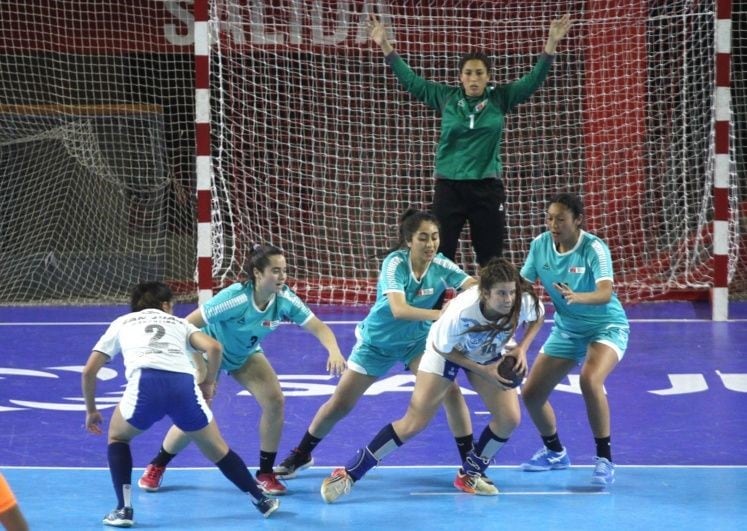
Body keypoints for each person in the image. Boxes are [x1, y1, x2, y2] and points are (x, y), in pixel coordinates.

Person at [276, 209, 491, 494]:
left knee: (450, 392)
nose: (431, 244)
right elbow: (398, 309)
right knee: (341, 403)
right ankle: (302, 454)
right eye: (423, 238)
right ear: (408, 240)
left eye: (435, 237)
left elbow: (474, 287)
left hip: (417, 342)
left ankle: (469, 467)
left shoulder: (441, 265)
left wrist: (492, 297)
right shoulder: (395, 264)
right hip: (377, 342)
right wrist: (443, 313)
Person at [319, 257, 545, 503]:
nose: (509, 299)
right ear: (485, 293)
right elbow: (444, 348)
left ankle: (470, 474)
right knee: (414, 422)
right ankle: (350, 473)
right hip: (444, 353)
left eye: (511, 292)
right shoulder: (461, 312)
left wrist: (522, 347)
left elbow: (538, 316)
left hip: (486, 353)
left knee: (509, 419)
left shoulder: (521, 302)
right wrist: (484, 372)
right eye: (501, 293)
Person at [138, 244, 346, 496]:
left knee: (275, 401)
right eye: (275, 271)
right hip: (206, 351)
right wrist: (199, 362)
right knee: (196, 414)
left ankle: (266, 473)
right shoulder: (235, 298)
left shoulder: (284, 299)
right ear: (258, 273)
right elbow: (185, 326)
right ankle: (157, 465)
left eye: (284, 271)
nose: (282, 277)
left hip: (243, 355)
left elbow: (319, 327)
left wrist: (334, 350)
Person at [368, 14, 572, 267]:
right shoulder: (446, 97)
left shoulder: (500, 98)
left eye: (479, 73)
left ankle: (491, 306)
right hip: (449, 188)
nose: (473, 78)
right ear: (460, 77)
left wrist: (551, 43)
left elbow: (533, 80)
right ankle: (436, 305)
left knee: (491, 258)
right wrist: (385, 45)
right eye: (468, 73)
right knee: (440, 257)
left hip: (487, 187)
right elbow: (412, 81)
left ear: (488, 77)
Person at [82, 281, 279, 527]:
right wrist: (208, 383)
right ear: (166, 305)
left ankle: (123, 510)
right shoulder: (181, 323)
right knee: (218, 449)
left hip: (147, 384)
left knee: (118, 437)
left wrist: (91, 410)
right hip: (184, 386)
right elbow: (214, 347)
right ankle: (261, 499)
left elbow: (89, 371)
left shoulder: (122, 322)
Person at [519, 193, 630, 486]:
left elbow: (605, 292)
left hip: (606, 326)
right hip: (567, 329)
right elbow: (523, 284)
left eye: (561, 219)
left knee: (590, 379)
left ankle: (604, 459)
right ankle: (555, 453)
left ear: (578, 220)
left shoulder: (594, 248)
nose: (554, 224)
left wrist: (578, 297)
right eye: (550, 218)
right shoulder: (540, 245)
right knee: (531, 393)